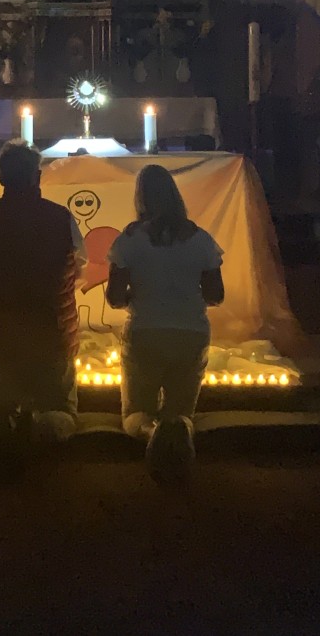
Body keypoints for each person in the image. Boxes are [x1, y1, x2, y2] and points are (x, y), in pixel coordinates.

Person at [0, 140, 87, 467]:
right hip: (51, 335)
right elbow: (78, 268)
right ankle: (42, 443)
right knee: (59, 409)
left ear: (1, 178)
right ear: (38, 176)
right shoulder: (59, 217)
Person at [106, 164, 224, 484]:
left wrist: (137, 295)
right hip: (191, 332)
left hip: (145, 331)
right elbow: (216, 295)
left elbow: (114, 298)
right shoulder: (201, 240)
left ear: (141, 198)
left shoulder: (130, 240)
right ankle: (177, 432)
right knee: (182, 412)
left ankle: (152, 431)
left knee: (134, 414)